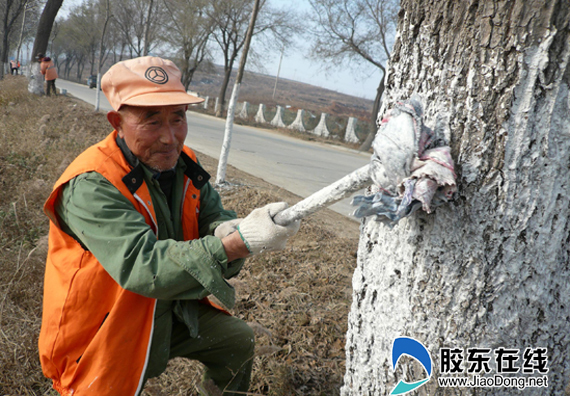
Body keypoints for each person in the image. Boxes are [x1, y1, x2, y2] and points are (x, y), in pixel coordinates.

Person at [39, 56, 300, 396]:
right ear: (117, 121)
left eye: (178, 118)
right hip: (106, 327)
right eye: (151, 121)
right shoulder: (91, 184)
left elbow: (211, 217)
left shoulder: (184, 163)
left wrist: (229, 230)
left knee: (236, 342)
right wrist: (235, 245)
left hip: (169, 309)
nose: (169, 137)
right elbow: (141, 265)